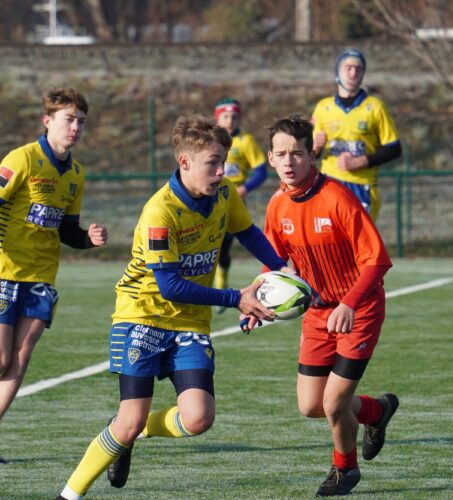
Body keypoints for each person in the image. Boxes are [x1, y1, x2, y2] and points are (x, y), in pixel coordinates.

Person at [56, 114, 292, 500]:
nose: (221, 171)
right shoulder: (160, 212)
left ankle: (130, 434)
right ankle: (69, 494)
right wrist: (237, 298)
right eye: (212, 163)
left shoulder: (223, 193)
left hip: (190, 321)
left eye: (223, 162)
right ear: (184, 162)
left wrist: (281, 271)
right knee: (128, 421)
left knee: (198, 418)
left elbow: (247, 231)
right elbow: (170, 287)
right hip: (142, 316)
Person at [244, 115, 399, 496]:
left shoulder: (338, 198)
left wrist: (349, 303)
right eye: (281, 154)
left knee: (333, 403)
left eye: (297, 153)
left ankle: (345, 469)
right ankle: (376, 411)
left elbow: (377, 260)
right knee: (311, 405)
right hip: (317, 314)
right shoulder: (277, 205)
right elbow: (274, 264)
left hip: (358, 310)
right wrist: (255, 299)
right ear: (270, 158)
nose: (289, 161)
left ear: (312, 155)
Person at [0, 88, 107, 462]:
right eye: (69, 119)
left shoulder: (76, 174)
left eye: (81, 121)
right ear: (48, 121)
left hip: (42, 276)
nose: (75, 127)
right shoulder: (22, 159)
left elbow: (67, 229)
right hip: (4, 271)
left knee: (21, 356)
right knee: (1, 359)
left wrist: (88, 238)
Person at [311, 48, 402, 221]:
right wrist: (315, 147)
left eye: (358, 69)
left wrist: (361, 161)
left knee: (358, 238)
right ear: (337, 72)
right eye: (348, 68)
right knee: (326, 235)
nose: (353, 73)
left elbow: (394, 149)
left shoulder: (375, 107)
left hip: (362, 186)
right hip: (328, 183)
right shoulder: (323, 107)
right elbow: (311, 155)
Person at [213, 97, 268, 305]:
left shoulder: (246, 141)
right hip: (208, 197)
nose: (230, 120)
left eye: (234, 117)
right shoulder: (209, 140)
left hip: (232, 200)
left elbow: (261, 171)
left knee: (224, 245)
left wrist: (245, 188)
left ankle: (221, 279)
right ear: (217, 118)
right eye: (225, 116)